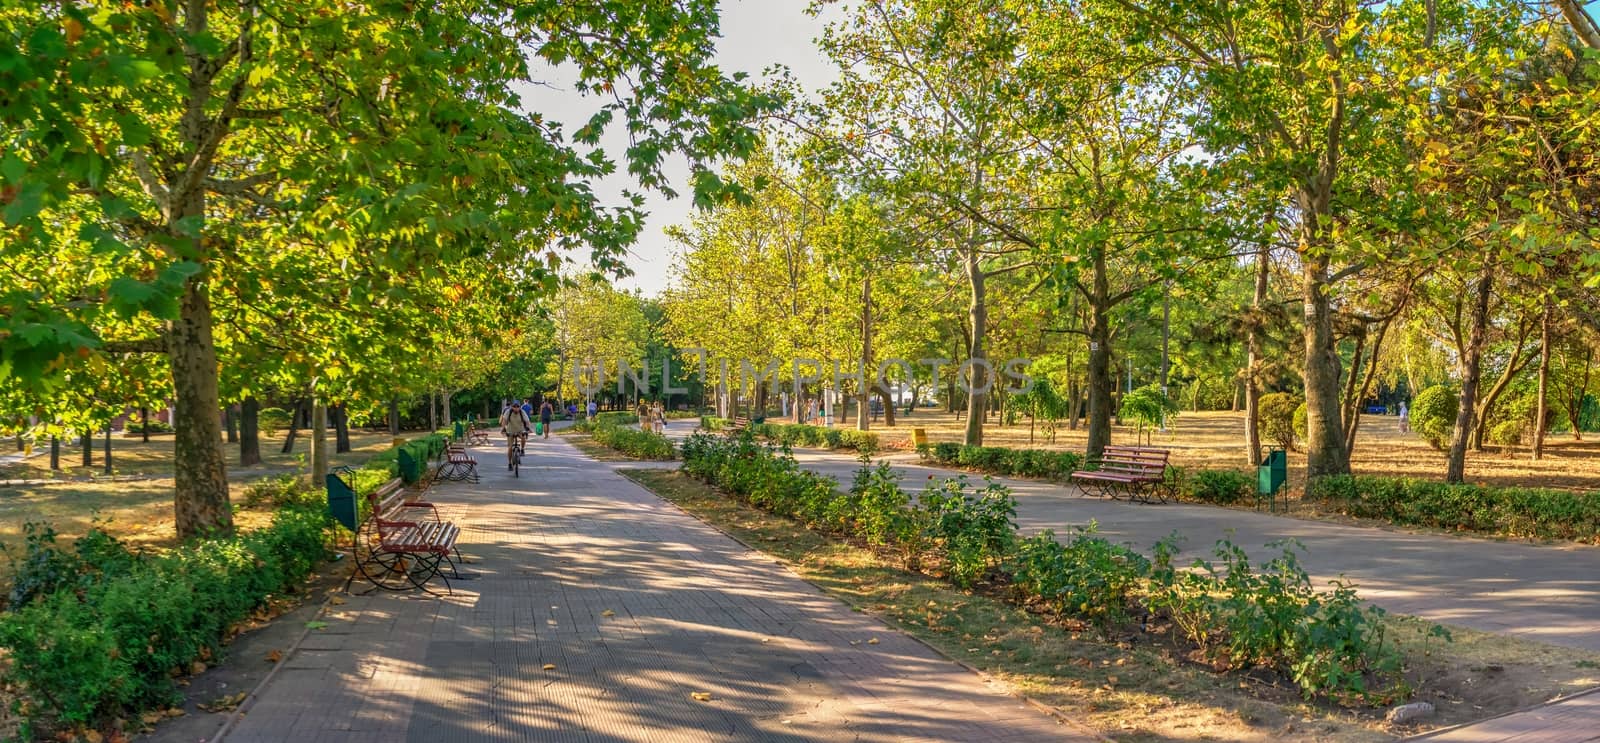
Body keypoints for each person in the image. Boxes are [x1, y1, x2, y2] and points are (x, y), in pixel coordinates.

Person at [499, 399, 531, 469]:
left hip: (520, 430)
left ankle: (522, 449)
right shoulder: (508, 412)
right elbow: (504, 421)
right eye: (514, 406)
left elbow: (527, 421)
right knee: (510, 447)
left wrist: (528, 428)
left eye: (517, 406)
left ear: (520, 407)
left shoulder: (522, 412)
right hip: (510, 430)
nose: (516, 408)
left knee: (523, 437)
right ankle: (510, 463)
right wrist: (503, 429)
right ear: (512, 407)